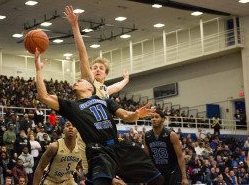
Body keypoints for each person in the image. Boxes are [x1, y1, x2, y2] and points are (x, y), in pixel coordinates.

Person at [34, 49, 163, 185]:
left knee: (158, 180)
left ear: (90, 87)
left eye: (80, 81)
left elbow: (126, 116)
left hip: (119, 147)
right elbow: (44, 96)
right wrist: (38, 70)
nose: (76, 82)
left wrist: (136, 114)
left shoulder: (104, 100)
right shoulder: (71, 106)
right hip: (99, 152)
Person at [64, 5, 130, 180]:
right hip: (89, 139)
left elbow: (115, 88)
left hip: (105, 139)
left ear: (106, 74)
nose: (97, 70)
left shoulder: (104, 90)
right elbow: (82, 54)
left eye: (101, 68)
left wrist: (125, 80)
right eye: (94, 68)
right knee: (94, 177)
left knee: (109, 177)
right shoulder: (89, 83)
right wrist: (75, 26)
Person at [143, 110, 188, 185]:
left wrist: (184, 177)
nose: (153, 119)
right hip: (156, 172)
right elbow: (147, 158)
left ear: (163, 119)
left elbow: (180, 157)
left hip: (171, 171)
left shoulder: (171, 135)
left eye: (156, 117)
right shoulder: (147, 136)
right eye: (152, 117)